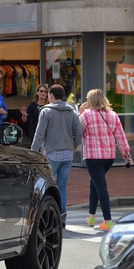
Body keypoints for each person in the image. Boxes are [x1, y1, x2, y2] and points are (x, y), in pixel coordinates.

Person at [79, 88, 134, 231]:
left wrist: (80, 113)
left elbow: (77, 132)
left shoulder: (86, 115)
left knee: (101, 186)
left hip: (93, 157)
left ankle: (107, 220)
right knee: (95, 182)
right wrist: (126, 154)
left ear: (90, 100)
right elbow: (120, 136)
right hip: (109, 157)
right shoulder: (113, 115)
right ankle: (91, 216)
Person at [31, 84, 82, 228]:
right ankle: (62, 218)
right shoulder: (72, 111)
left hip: (51, 153)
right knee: (62, 187)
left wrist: (34, 152)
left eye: (48, 94)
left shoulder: (46, 111)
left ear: (51, 96)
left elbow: (39, 134)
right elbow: (79, 132)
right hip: (67, 154)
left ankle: (48, 218)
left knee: (45, 186)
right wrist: (72, 146)